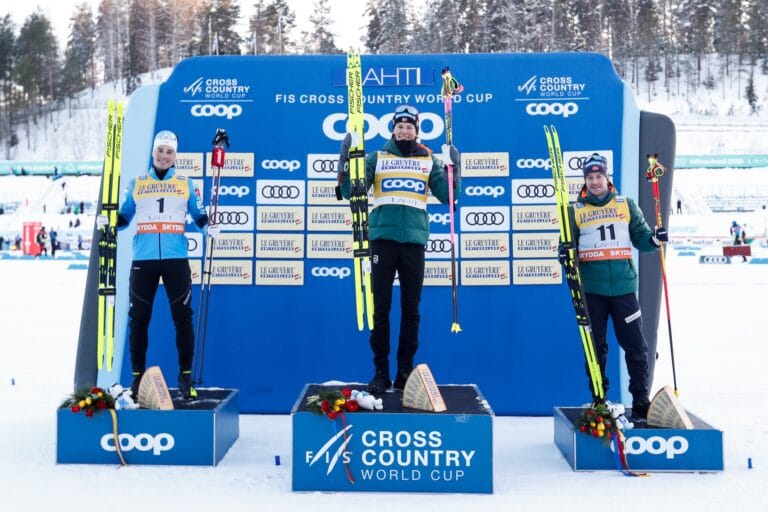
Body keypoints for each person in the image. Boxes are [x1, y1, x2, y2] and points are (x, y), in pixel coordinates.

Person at [338, 105, 461, 395]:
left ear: (417, 130)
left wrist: (455, 169)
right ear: (392, 128)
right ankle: (380, 371)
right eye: (400, 125)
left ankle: (405, 370)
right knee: (381, 307)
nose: (405, 130)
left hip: (414, 242)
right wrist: (346, 161)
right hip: (382, 239)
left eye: (410, 126)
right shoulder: (376, 158)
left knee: (411, 309)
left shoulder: (428, 160)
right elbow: (349, 193)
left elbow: (448, 198)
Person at [559, 153, 667, 421]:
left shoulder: (625, 205)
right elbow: (565, 245)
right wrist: (564, 254)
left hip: (623, 289)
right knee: (596, 348)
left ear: (607, 177)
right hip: (592, 292)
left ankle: (641, 402)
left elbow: (642, 238)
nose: (595, 182)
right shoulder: (575, 211)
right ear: (585, 180)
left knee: (636, 346)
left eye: (598, 176)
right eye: (589, 177)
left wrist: (655, 239)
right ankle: (599, 400)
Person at [115, 130, 215, 400]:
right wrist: (108, 221)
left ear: (174, 157)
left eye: (169, 152)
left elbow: (199, 215)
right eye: (160, 150)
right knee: (139, 320)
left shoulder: (185, 183)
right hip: (143, 260)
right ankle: (137, 378)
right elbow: (124, 217)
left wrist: (209, 229)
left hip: (175, 259)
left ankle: (185, 377)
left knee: (182, 319)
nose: (164, 156)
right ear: (153, 152)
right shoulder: (138, 183)